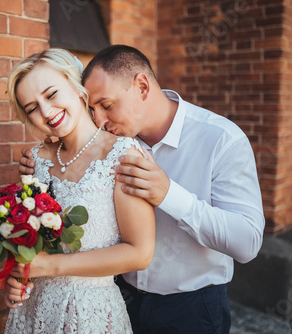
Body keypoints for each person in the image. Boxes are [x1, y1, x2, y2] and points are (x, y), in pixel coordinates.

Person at [16, 45, 265, 333]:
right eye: (91, 107)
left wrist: (168, 194)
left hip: (190, 308)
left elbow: (247, 243)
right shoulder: (110, 142)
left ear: (142, 86)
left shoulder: (221, 140)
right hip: (118, 298)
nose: (99, 120)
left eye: (106, 106)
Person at [3, 48, 155, 333]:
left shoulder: (122, 155)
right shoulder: (34, 161)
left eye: (51, 94)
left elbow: (140, 253)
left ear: (76, 86)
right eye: (32, 108)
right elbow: (29, 245)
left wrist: (50, 266)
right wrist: (18, 280)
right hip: (33, 313)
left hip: (90, 314)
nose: (46, 113)